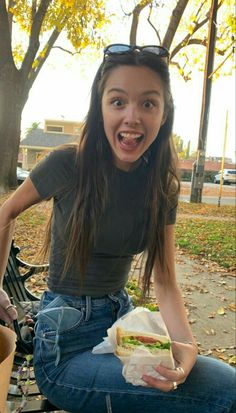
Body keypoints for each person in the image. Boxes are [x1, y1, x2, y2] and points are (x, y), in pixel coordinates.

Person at [0, 44, 235, 413]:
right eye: (118, 101)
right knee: (225, 394)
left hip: (122, 329)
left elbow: (166, 280)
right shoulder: (67, 164)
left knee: (218, 383)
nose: (132, 117)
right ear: (101, 108)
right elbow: (5, 213)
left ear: (164, 113)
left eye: (147, 103)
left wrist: (187, 348)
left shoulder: (162, 186)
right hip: (64, 350)